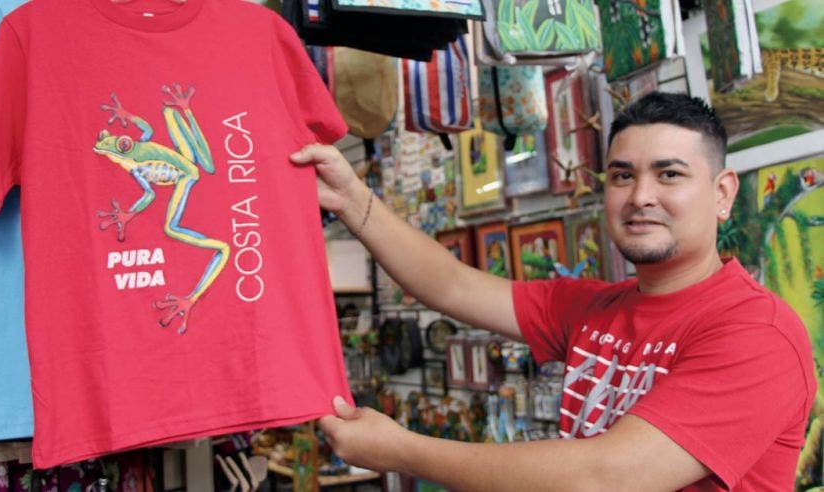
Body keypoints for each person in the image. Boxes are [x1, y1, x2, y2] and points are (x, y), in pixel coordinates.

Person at [289, 92, 817, 490]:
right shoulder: (594, 306)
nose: (641, 197)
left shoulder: (757, 334)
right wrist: (351, 199)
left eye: (670, 174)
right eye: (621, 175)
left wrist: (401, 450)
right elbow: (448, 283)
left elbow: (608, 477)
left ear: (723, 193)